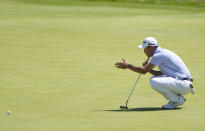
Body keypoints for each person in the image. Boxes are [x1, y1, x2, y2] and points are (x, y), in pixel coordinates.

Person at [115, 37, 194, 110]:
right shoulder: (161, 53)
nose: (144, 51)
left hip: (183, 84)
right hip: (182, 83)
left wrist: (128, 66)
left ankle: (176, 100)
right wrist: (148, 68)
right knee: (154, 79)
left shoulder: (159, 55)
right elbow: (158, 73)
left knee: (153, 81)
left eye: (145, 49)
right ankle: (176, 99)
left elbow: (143, 71)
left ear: (151, 47)